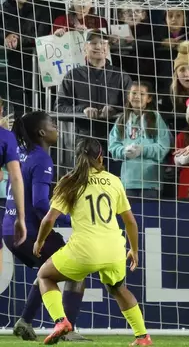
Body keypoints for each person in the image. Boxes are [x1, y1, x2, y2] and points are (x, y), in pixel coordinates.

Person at [32, 138, 152, 346]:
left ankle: (61, 321)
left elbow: (49, 218)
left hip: (84, 250)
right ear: (100, 157)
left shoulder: (69, 182)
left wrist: (39, 241)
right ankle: (142, 336)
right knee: (118, 289)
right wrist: (134, 250)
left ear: (76, 157)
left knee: (45, 275)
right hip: (114, 249)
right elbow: (131, 222)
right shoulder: (114, 180)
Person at [4, 112, 90, 342]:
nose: (56, 127)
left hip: (8, 230)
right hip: (28, 231)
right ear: (42, 132)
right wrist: (70, 220)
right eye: (52, 124)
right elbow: (41, 203)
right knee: (76, 268)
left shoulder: (21, 153)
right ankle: (67, 329)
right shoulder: (42, 159)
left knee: (49, 269)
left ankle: (25, 321)